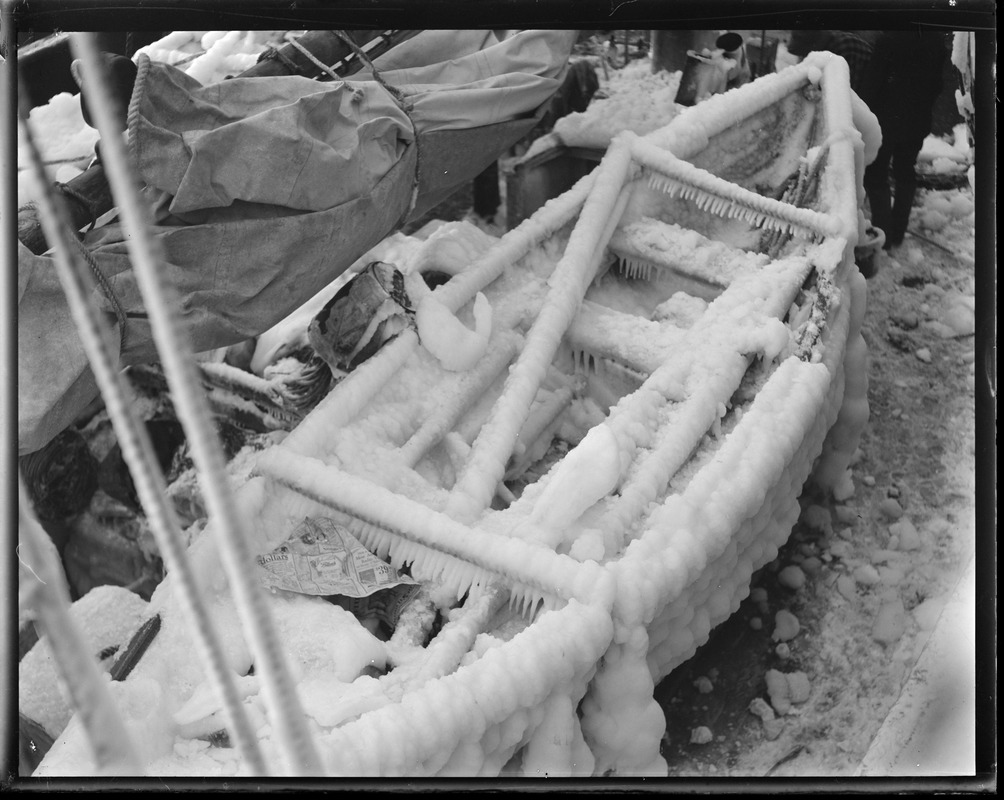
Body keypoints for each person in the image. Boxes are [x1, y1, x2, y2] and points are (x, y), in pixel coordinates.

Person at [859, 30, 947, 250]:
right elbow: (938, 85)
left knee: (875, 176)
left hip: (885, 122)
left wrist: (862, 114)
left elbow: (872, 83)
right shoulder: (935, 40)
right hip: (917, 120)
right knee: (906, 171)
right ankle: (897, 233)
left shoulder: (887, 40)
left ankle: (884, 236)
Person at [786, 30, 873, 94]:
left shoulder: (841, 48)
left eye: (804, 53)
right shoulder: (821, 48)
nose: (802, 57)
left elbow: (843, 93)